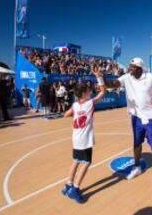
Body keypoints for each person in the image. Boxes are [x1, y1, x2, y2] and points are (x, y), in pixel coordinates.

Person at [103, 57, 152, 182]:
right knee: (136, 143)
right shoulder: (126, 77)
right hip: (136, 116)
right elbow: (111, 85)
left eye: (132, 67)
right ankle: (137, 167)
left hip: (151, 116)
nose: (130, 69)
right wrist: (101, 77)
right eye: (129, 66)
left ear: (140, 68)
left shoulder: (151, 77)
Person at [61, 67, 106, 203]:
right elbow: (103, 92)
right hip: (84, 139)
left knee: (75, 161)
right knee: (86, 162)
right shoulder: (89, 103)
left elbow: (64, 115)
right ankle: (75, 189)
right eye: (88, 91)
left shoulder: (75, 105)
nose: (90, 92)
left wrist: (76, 114)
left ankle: (68, 185)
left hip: (76, 138)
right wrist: (99, 77)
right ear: (84, 94)